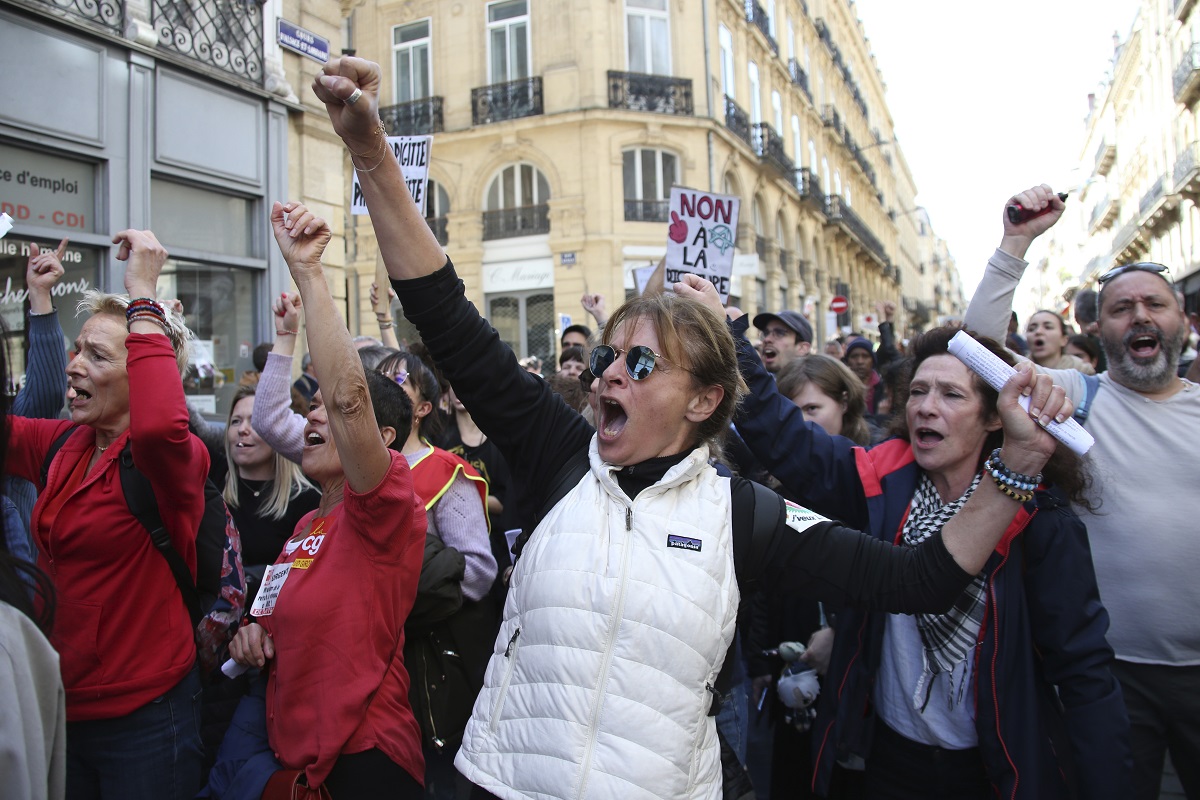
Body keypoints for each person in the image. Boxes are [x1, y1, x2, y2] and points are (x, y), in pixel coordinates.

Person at [312, 56, 1073, 800]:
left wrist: (1019, 464)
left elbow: (919, 579)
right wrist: (372, 152)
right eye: (610, 355)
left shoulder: (745, 514)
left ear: (705, 400)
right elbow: (444, 312)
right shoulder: (559, 455)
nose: (610, 373)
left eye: (642, 366)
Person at [731, 316, 1131, 798]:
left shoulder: (1041, 523)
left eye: (951, 395)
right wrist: (728, 332)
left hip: (993, 770)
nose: (926, 407)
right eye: (918, 392)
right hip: (887, 761)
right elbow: (785, 438)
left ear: (994, 416)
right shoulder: (881, 482)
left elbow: (1083, 671)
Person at [964, 184, 1200, 800]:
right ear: (1097, 327)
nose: (1141, 317)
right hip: (1109, 678)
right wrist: (1016, 242)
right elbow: (981, 352)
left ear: (1184, 322)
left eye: (1155, 304)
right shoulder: (1072, 399)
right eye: (1123, 308)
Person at [228, 202, 427, 797]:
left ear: (378, 439)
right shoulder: (304, 525)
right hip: (291, 761)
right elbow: (273, 613)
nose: (312, 413)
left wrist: (310, 274)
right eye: (306, 406)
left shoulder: (384, 510)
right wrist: (253, 633)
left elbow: (346, 402)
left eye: (323, 408)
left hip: (364, 762)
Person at [7, 229, 209, 799]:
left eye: (97, 356)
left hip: (146, 721)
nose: (74, 366)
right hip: (65, 705)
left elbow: (161, 426)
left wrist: (142, 290)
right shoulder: (64, 445)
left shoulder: (170, 461)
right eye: (78, 349)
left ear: (141, 375)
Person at [222, 383, 320, 601]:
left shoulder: (307, 501)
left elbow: (304, 575)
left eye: (255, 422)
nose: (242, 429)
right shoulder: (212, 492)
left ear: (277, 432)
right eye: (235, 421)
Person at [775, 354, 870, 446]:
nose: (801, 421)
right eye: (789, 413)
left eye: (811, 408)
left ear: (844, 403)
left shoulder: (873, 456)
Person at [1025, 309, 1095, 374]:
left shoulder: (1082, 370)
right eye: (1032, 329)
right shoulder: (1017, 368)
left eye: (1048, 327)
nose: (1038, 331)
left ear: (1064, 340)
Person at [753, 309, 813, 373]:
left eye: (779, 333)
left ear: (802, 348)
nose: (767, 339)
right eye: (766, 333)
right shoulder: (755, 380)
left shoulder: (814, 382)